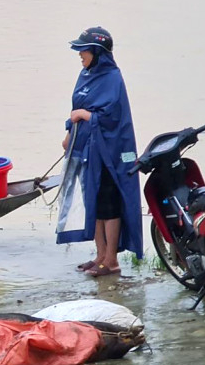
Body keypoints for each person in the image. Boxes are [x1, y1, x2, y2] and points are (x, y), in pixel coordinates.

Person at [56, 27, 143, 277]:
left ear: (97, 52)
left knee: (108, 206)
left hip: (110, 153)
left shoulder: (113, 78)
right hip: (86, 151)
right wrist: (69, 134)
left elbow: (112, 117)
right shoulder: (85, 75)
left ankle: (112, 260)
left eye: (83, 50)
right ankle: (99, 255)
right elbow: (77, 108)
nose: (79, 54)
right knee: (92, 202)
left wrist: (86, 116)